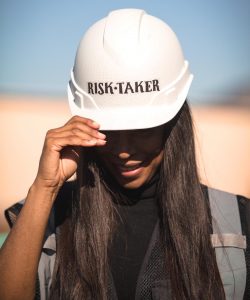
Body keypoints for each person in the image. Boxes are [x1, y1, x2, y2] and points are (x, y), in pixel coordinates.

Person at [0, 8, 249, 300]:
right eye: (109, 131)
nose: (123, 152)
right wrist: (45, 187)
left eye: (143, 130)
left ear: (174, 124)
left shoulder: (239, 223)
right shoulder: (48, 217)